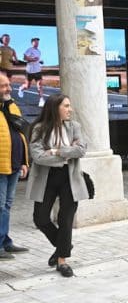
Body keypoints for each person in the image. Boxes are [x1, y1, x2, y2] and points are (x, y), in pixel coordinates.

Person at [27, 93, 88, 277]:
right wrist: (65, 155)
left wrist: (55, 151)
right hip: (46, 178)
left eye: (70, 106)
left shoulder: (74, 127)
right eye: (66, 106)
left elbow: (81, 149)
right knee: (40, 218)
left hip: (70, 178)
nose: (70, 109)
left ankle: (62, 261)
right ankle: (64, 245)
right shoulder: (38, 129)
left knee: (65, 219)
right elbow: (38, 157)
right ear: (55, 108)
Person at [0, 71, 30, 261]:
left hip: (13, 164)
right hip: (1, 167)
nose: (8, 89)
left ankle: (5, 241)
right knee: (0, 206)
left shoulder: (9, 107)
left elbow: (21, 131)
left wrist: (24, 162)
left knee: (7, 205)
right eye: (4, 86)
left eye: (8, 85)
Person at [21, 38, 44, 107]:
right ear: (32, 43)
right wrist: (33, 59)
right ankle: (21, 88)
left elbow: (37, 60)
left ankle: (41, 100)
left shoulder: (39, 51)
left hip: (37, 70)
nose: (37, 43)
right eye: (35, 42)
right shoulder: (29, 50)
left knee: (39, 85)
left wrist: (40, 61)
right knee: (27, 86)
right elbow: (24, 58)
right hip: (30, 71)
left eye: (37, 42)